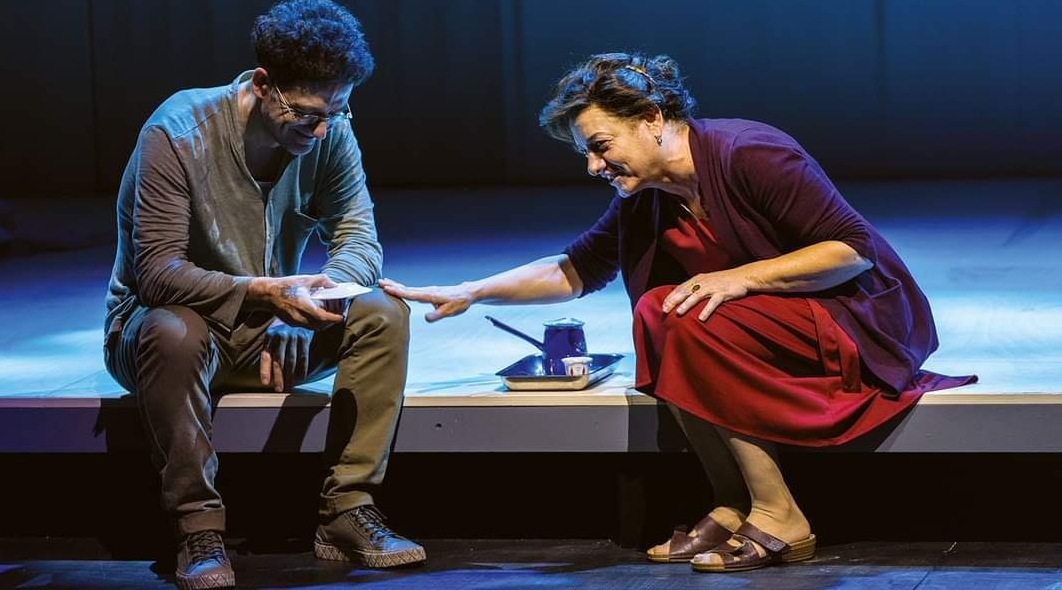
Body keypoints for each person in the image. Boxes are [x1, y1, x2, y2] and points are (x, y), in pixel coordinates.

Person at [380, 52, 975, 573]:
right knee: (659, 311)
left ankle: (781, 512)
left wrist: (737, 278)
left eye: (599, 146)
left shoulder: (751, 153)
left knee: (687, 309)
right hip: (777, 324)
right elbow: (578, 268)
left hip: (857, 320)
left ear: (652, 120)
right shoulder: (646, 196)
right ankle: (732, 501)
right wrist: (473, 290)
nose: (593, 166)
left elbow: (851, 251)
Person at [104, 0, 424, 590]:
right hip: (165, 339)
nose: (323, 128)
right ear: (262, 83)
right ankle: (197, 527)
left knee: (383, 311)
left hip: (274, 332)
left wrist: (315, 301)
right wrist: (261, 295)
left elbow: (359, 238)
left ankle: (349, 509)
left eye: (338, 111)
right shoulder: (176, 132)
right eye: (306, 113)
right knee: (173, 328)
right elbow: (157, 272)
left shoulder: (329, 132)